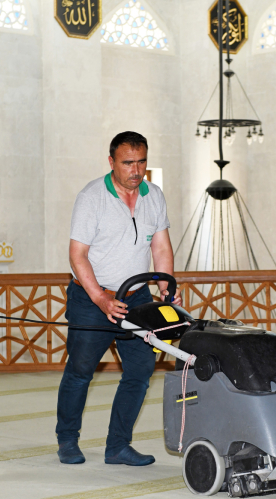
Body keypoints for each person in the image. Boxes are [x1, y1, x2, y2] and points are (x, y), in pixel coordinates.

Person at [56, 131, 182, 467]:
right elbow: (77, 255)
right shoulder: (92, 198)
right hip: (91, 299)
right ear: (111, 162)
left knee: (140, 370)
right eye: (128, 163)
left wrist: (166, 285)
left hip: (136, 297)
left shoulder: (154, 195)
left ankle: (118, 446)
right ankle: (67, 440)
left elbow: (161, 247)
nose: (136, 170)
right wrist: (100, 299)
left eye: (141, 162)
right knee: (80, 371)